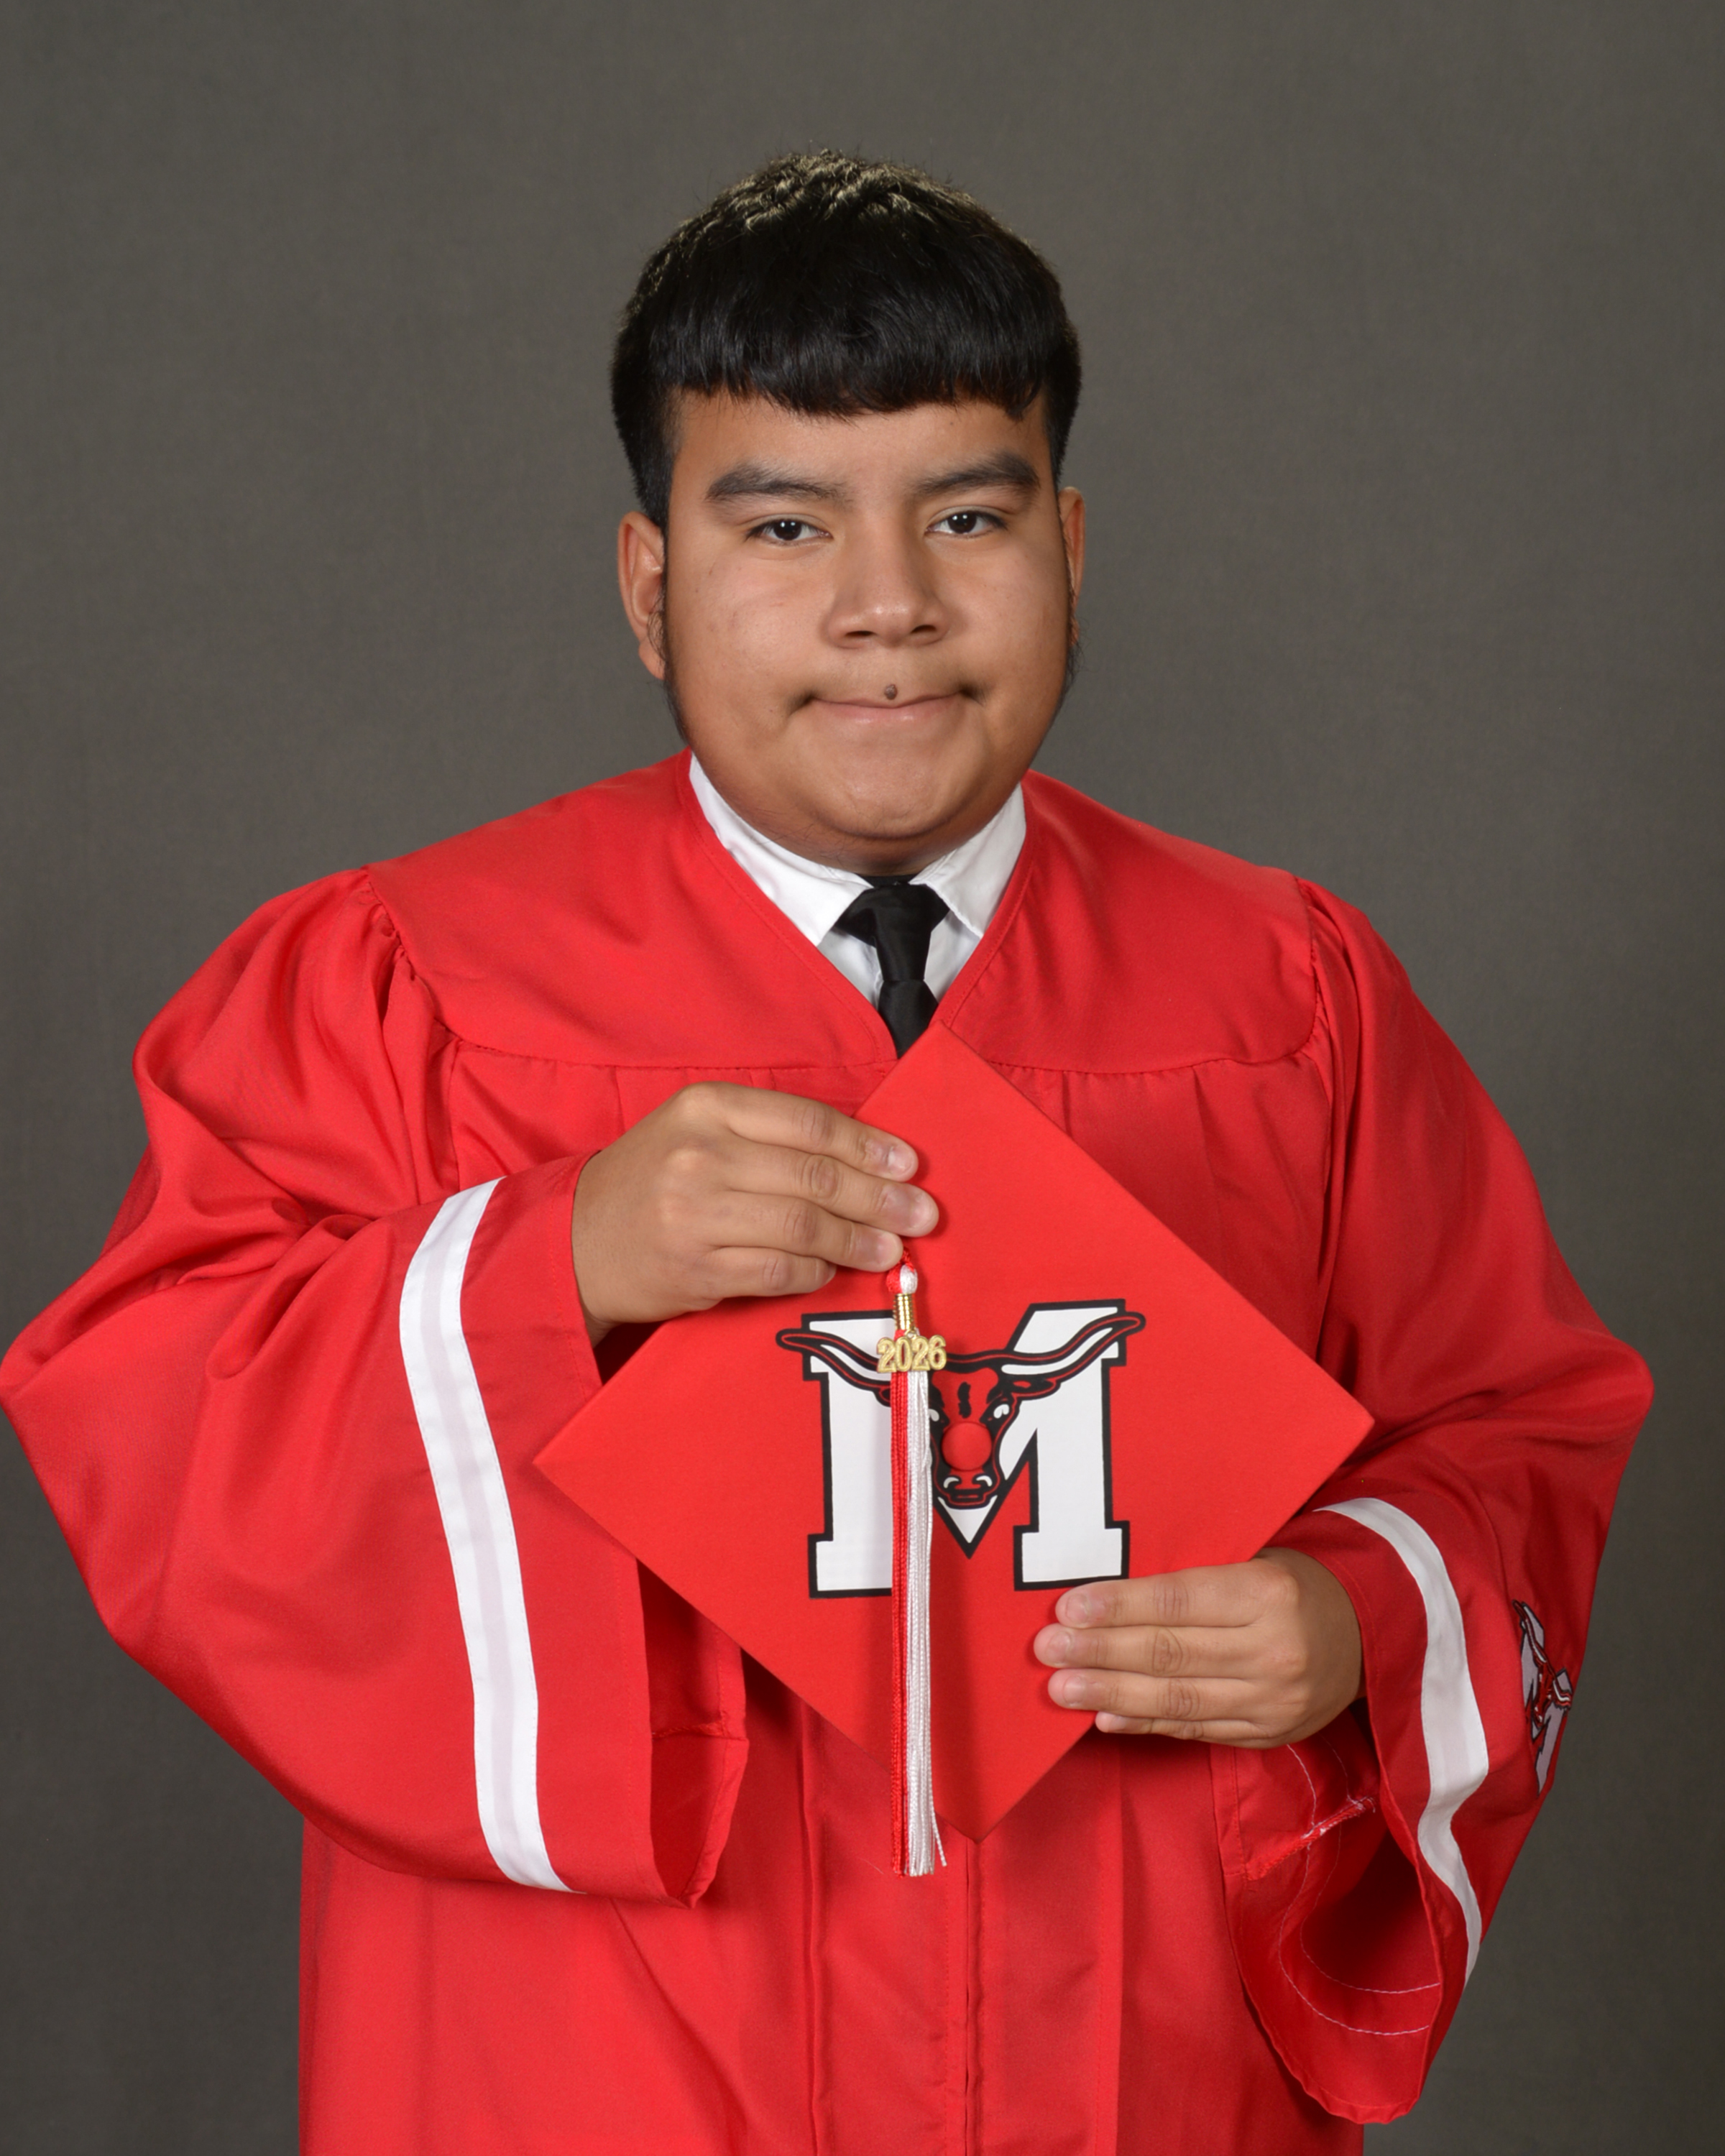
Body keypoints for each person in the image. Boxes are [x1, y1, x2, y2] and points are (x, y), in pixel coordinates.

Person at [0, 153, 1650, 2155]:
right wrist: (552, 1259)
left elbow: (1511, 1424)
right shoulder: (399, 987)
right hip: (586, 2082)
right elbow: (154, 1430)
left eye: (970, 515)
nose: (890, 604)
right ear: (649, 585)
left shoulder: (1286, 997)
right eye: (784, 524)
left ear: (1070, 544)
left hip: (1130, 2071)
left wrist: (1352, 1616)